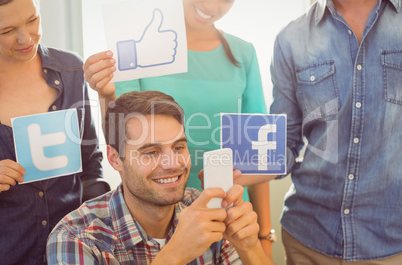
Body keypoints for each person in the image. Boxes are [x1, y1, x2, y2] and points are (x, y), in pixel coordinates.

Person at [83, 0, 274, 255]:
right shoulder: (141, 43)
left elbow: (256, 156)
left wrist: (263, 235)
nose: (212, 6)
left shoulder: (244, 53)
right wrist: (105, 94)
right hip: (158, 210)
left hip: (226, 212)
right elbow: (122, 135)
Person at [46, 91, 272, 265]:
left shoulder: (207, 212)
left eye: (178, 147)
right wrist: (175, 254)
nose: (172, 164)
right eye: (151, 152)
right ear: (115, 159)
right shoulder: (75, 238)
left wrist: (249, 246)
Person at [270, 0, 402, 264]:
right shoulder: (290, 38)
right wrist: (240, 168)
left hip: (391, 241)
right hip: (308, 238)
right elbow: (284, 140)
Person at [0, 0, 109, 264]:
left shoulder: (72, 69)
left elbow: (90, 161)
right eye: (6, 31)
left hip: (73, 250)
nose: (26, 38)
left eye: (32, 20)